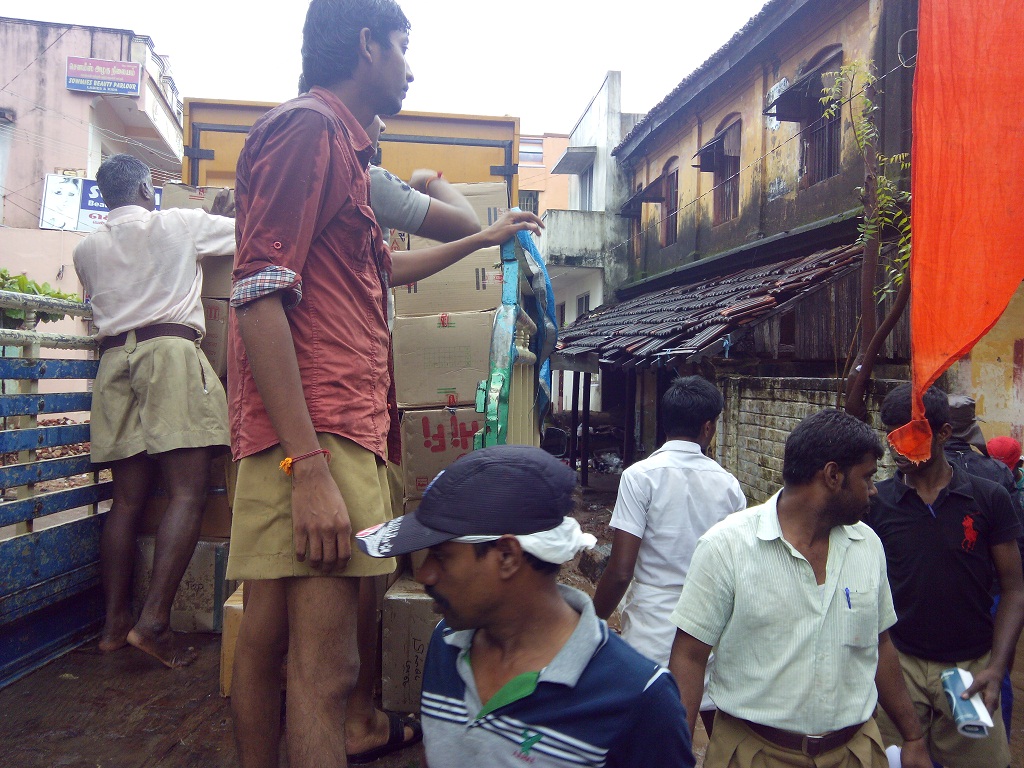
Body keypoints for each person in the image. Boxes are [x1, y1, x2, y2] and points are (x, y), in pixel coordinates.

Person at [226, 3, 542, 766]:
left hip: (337, 425)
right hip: (319, 429)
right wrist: (308, 467)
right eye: (402, 46)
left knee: (291, 655)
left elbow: (379, 269)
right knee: (325, 673)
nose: (410, 67)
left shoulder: (343, 149)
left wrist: (483, 236)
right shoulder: (309, 129)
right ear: (366, 45)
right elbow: (258, 294)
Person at [355, 444, 697, 768]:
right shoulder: (447, 644)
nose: (425, 574)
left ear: (507, 557)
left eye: (442, 555)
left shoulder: (639, 699)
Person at [669, 409, 931, 768]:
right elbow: (689, 656)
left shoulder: (867, 545)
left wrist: (913, 736)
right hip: (753, 755)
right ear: (833, 476)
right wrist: (674, 753)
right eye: (867, 477)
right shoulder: (726, 547)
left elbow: (881, 644)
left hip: (854, 753)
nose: (874, 490)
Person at [72, 153, 233, 669]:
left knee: (126, 502)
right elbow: (244, 236)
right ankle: (155, 622)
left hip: (114, 363)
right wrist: (218, 215)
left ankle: (114, 625)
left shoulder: (85, 249)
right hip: (169, 355)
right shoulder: (177, 223)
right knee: (187, 491)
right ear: (146, 190)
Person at [868, 383, 1024, 768]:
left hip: (971, 667)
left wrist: (996, 668)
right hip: (898, 665)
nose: (898, 447)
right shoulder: (877, 504)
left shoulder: (988, 498)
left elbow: (1014, 589)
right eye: (892, 435)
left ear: (944, 433)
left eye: (911, 435)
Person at [592, 374, 745, 734]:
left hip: (652, 623)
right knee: (715, 721)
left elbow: (621, 571)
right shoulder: (728, 485)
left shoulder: (640, 477)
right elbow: (738, 565)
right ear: (708, 427)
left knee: (654, 732)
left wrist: (591, 622)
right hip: (709, 622)